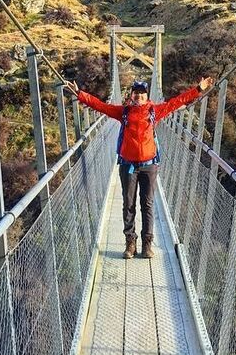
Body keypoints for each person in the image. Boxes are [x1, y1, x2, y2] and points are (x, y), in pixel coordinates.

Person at [67, 76, 214, 259]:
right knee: (128, 204)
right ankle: (130, 243)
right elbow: (101, 106)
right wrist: (80, 94)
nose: (139, 96)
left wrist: (198, 89)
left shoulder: (155, 111)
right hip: (128, 166)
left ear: (147, 96)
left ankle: (147, 244)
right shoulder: (124, 112)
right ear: (131, 95)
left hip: (149, 166)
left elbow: (178, 102)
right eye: (136, 93)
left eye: (143, 93)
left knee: (148, 204)